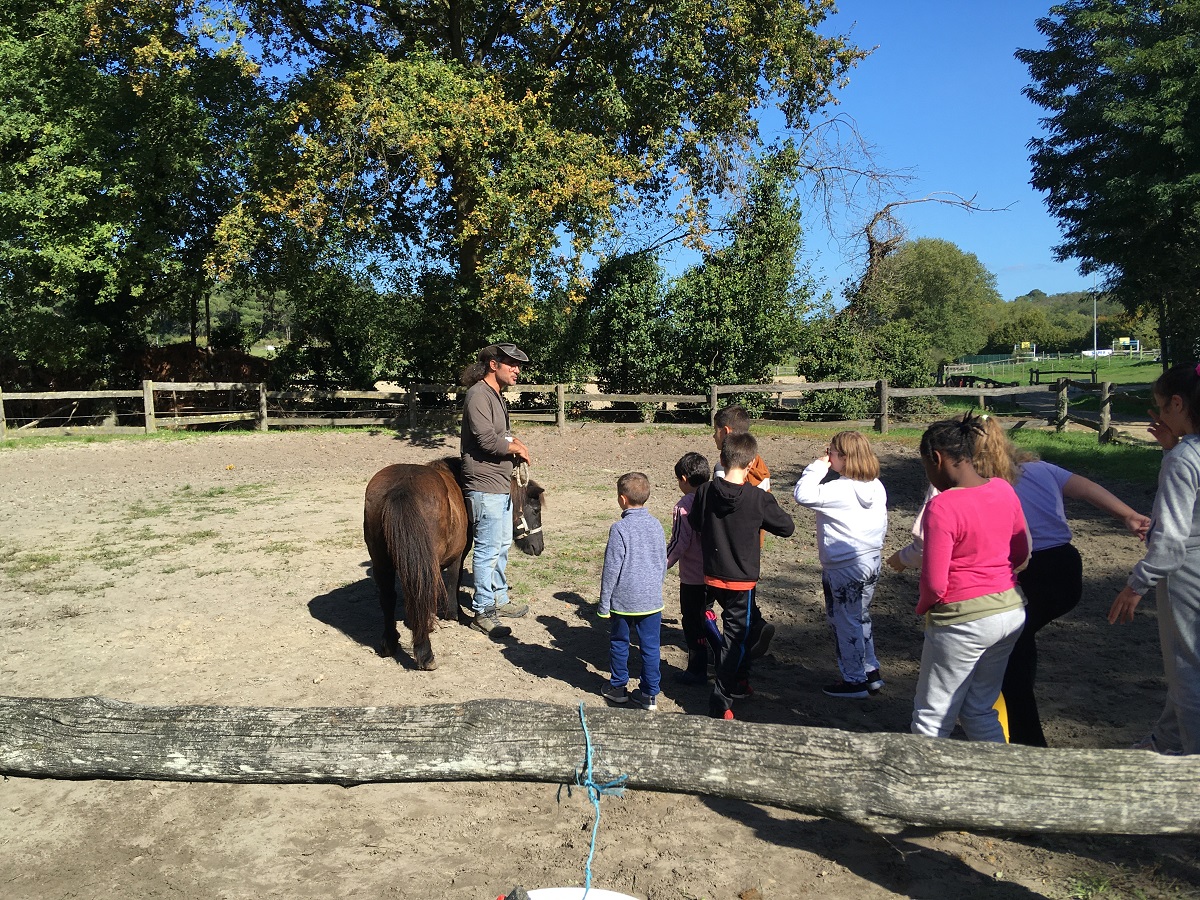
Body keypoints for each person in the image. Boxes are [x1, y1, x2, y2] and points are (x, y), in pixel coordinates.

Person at [972, 415, 1150, 747]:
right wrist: (1128, 514)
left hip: (1029, 573)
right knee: (1018, 644)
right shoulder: (1039, 469)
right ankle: (1008, 722)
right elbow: (1087, 489)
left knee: (1011, 652)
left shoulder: (984, 483)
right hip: (1067, 570)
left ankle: (1027, 741)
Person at [911, 416, 1029, 742]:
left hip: (964, 618)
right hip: (1009, 610)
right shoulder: (1004, 489)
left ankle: (922, 783)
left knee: (932, 716)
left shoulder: (942, 506)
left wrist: (924, 607)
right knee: (979, 707)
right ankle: (998, 779)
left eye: (926, 466)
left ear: (936, 458)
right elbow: (1019, 553)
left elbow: (935, 582)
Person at [1109, 362, 1200, 755]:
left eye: (1162, 407)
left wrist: (1136, 584)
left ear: (1178, 404)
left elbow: (1172, 541)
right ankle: (1167, 741)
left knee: (1187, 669)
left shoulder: (1183, 460)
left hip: (1187, 574)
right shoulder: (1184, 453)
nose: (1160, 415)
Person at [689, 432, 795, 719]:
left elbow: (696, 523)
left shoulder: (704, 492)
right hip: (742, 581)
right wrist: (764, 504)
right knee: (736, 637)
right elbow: (787, 528)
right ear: (751, 465)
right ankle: (721, 698)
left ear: (721, 459)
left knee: (739, 631)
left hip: (711, 575)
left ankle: (739, 679)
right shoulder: (758, 498)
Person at [793, 431, 888, 698]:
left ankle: (854, 681)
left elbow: (802, 494)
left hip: (845, 567)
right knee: (861, 617)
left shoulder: (838, 489)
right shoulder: (875, 486)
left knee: (844, 622)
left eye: (831, 451)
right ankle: (870, 671)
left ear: (844, 457)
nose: (828, 454)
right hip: (870, 561)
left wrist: (817, 467)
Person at [459, 342, 533, 638]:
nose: (517, 370)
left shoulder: (495, 396)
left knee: (502, 545)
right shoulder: (478, 395)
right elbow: (488, 441)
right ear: (493, 365)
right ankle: (483, 610)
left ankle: (499, 598)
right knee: (488, 549)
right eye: (512, 364)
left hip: (499, 483)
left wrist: (517, 443)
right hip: (485, 484)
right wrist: (515, 446)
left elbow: (501, 435)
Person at [598, 472, 667, 711]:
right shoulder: (656, 525)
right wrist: (657, 586)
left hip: (624, 601)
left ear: (623, 499)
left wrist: (604, 602)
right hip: (651, 600)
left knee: (619, 642)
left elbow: (611, 568)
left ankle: (617, 688)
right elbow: (662, 560)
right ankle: (649, 694)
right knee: (650, 647)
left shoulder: (619, 529)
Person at [711, 404, 775, 658]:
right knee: (742, 600)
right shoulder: (759, 464)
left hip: (729, 545)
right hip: (751, 544)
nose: (713, 437)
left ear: (726, 432)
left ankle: (749, 639)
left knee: (731, 603)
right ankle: (754, 630)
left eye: (715, 431)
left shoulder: (724, 470)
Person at [666, 452, 711, 685]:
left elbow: (679, 542)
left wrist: (662, 564)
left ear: (683, 478)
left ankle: (697, 669)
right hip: (716, 572)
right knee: (708, 615)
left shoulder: (684, 506)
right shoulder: (716, 497)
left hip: (693, 577)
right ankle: (719, 654)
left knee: (692, 622)